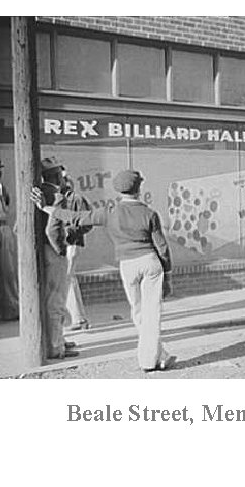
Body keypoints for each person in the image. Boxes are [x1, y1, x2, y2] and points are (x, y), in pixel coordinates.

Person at [31, 169, 175, 372]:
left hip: (127, 265)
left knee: (138, 312)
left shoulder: (110, 213)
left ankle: (161, 354)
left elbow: (75, 217)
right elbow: (162, 247)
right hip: (150, 263)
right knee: (152, 313)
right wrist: (168, 275)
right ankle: (149, 361)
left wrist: (46, 207)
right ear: (139, 189)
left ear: (119, 191)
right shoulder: (150, 214)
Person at [39, 157, 76, 359]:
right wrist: (61, 249)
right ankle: (56, 346)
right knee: (56, 300)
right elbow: (53, 229)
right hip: (53, 251)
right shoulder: (55, 195)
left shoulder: (41, 191)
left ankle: (57, 339)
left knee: (51, 298)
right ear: (56, 175)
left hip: (45, 251)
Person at [61, 173, 93, 331]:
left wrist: (70, 231)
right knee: (67, 279)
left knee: (67, 279)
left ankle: (78, 318)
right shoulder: (57, 199)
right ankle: (78, 317)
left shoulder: (77, 199)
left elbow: (87, 222)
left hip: (71, 243)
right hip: (61, 244)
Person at [0, 155, 19, 323]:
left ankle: (11, 310)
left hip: (3, 227)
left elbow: (6, 205)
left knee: (8, 271)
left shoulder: (1, 187)